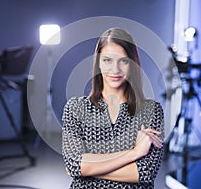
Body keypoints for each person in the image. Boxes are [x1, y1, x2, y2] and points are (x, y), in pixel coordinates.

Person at [62, 27, 164, 188]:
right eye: (107, 60)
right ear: (98, 63)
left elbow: (145, 172)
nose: (115, 69)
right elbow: (73, 165)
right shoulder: (76, 108)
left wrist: (88, 167)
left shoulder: (151, 111)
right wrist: (135, 153)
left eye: (123, 61)